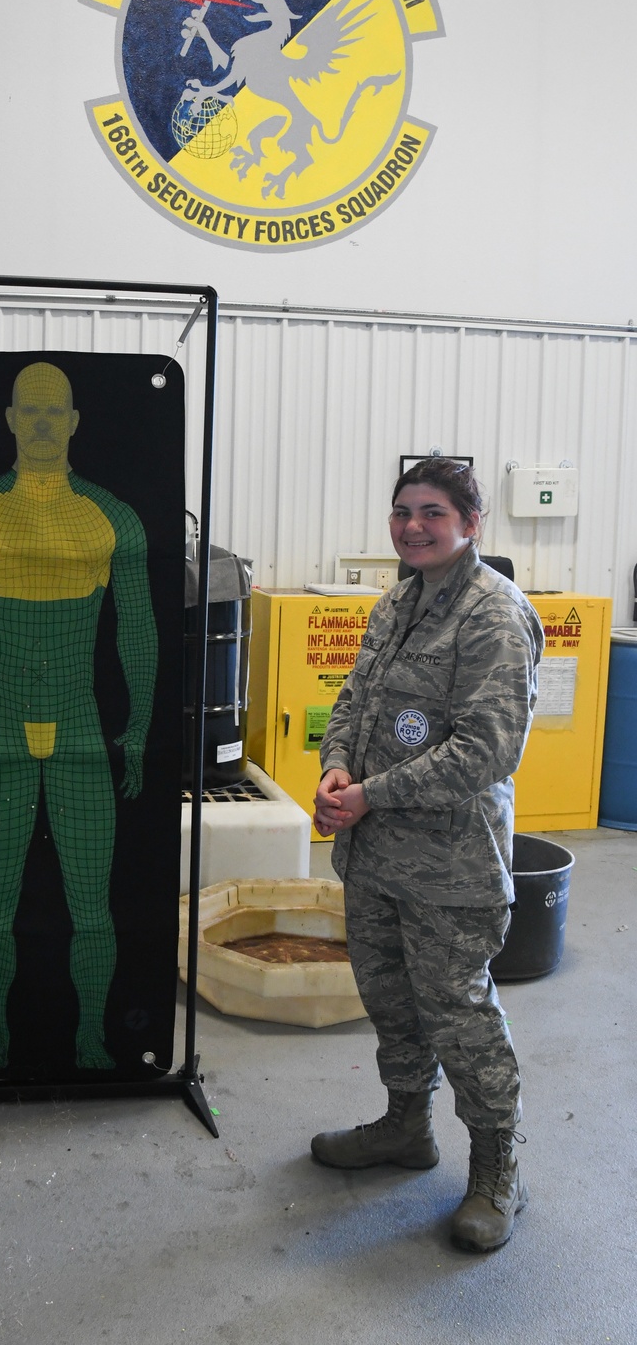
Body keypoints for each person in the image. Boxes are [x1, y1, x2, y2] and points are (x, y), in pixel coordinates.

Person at [310, 458, 544, 1252]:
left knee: (460, 1014)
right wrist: (337, 765)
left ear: (471, 523)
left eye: (433, 512)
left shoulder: (494, 615)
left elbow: (486, 751)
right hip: (377, 857)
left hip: (451, 867)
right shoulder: (399, 601)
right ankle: (406, 1127)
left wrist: (371, 795)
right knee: (392, 1000)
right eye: (402, 510)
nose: (413, 525)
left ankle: (497, 1169)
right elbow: (354, 696)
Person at [0, 361, 157, 1071]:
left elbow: (138, 629)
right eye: (34, 411)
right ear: (13, 420)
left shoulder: (112, 516)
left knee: (93, 907)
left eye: (58, 412)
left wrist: (140, 725)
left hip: (82, 725)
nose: (46, 424)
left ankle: (90, 1038)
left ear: (75, 422)